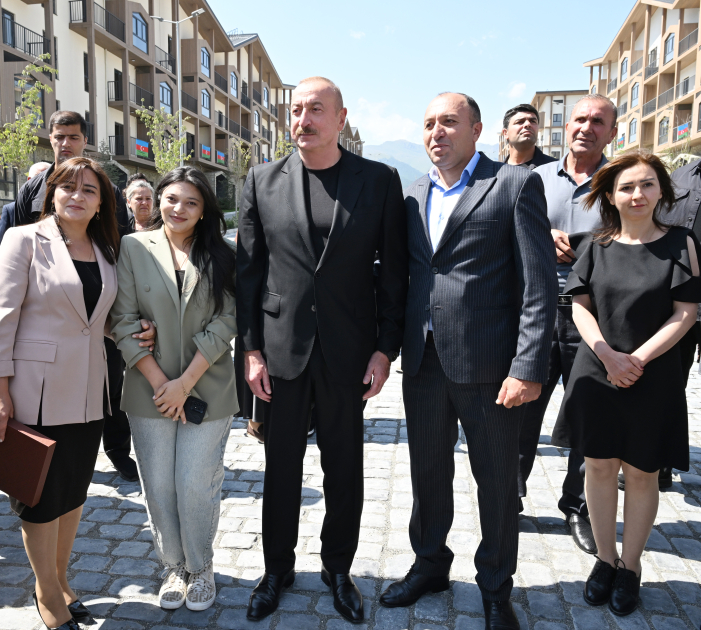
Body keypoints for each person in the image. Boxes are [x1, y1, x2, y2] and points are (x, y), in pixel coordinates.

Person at [379, 92, 557, 630]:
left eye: (449, 122)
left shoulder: (514, 184)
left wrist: (527, 367)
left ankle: (496, 588)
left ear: (477, 130)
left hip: (491, 369)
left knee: (497, 484)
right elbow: (409, 275)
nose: (437, 132)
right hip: (425, 362)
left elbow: (539, 285)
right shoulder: (413, 194)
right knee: (427, 474)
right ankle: (430, 564)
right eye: (429, 123)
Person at [237, 76, 408, 623]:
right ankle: (276, 570)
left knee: (344, 469)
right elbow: (249, 274)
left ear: (340, 118)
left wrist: (384, 350)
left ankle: (339, 569)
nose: (303, 119)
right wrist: (251, 350)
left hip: (348, 353)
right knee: (280, 470)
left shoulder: (378, 180)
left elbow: (394, 275)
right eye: (296, 110)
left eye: (315, 109)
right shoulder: (262, 179)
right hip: (282, 352)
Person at [551, 150, 700, 616]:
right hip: (597, 370)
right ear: (611, 196)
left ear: (662, 191)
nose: (638, 194)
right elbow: (579, 305)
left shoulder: (681, 243)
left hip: (652, 374)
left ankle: (630, 566)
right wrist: (607, 355)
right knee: (597, 467)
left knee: (641, 471)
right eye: (627, 187)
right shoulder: (597, 244)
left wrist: (635, 359)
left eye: (647, 184)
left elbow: (686, 313)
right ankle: (604, 559)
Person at [0, 157, 121, 630]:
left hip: (90, 389)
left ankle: (63, 579)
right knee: (42, 496)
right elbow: (3, 318)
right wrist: (1, 390)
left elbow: (97, 317)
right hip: (36, 390)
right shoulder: (24, 239)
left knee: (73, 492)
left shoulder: (105, 248)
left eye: (89, 189)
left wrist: (134, 332)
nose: (78, 196)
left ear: (100, 203)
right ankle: (46, 592)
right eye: (68, 187)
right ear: (51, 193)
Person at [110, 166, 238, 613]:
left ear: (204, 211)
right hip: (149, 389)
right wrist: (163, 384)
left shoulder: (223, 254)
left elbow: (228, 320)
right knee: (160, 486)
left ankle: (200, 567)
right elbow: (122, 320)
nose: (178, 208)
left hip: (207, 387)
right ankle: (173, 566)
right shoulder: (132, 247)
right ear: (158, 200)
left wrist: (184, 384)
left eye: (191, 202)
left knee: (194, 483)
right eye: (171, 198)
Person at [9, 110, 154, 484]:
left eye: (72, 136)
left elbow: (117, 249)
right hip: (43, 345)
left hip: (96, 329)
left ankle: (118, 452)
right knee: (41, 483)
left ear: (84, 140)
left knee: (110, 389)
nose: (65, 143)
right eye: (59, 136)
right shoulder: (31, 196)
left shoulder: (106, 200)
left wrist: (131, 321)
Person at [519, 95, 618, 555]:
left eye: (598, 121)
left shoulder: (621, 182)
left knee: (588, 415)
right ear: (565, 126)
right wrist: (541, 235)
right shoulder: (533, 179)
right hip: (536, 312)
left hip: (594, 317)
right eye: (580, 118)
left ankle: (579, 506)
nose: (586, 127)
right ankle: (509, 495)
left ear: (612, 132)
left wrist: (595, 248)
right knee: (522, 410)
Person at [0, 162, 52, 241]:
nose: (43, 184)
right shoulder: (11, 210)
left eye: (47, 179)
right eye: (38, 178)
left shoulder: (59, 209)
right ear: (29, 180)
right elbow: (2, 241)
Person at [501, 104, 556, 169]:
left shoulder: (554, 169)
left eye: (533, 121)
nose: (528, 124)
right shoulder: (496, 171)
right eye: (520, 122)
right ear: (505, 133)